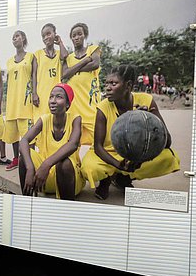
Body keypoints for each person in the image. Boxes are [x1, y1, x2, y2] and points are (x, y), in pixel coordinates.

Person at [80, 65, 180, 200]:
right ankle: (107, 179)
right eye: (106, 83)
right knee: (89, 168)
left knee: (167, 157)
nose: (108, 87)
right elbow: (98, 147)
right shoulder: (103, 107)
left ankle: (122, 177)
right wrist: (118, 165)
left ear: (128, 85)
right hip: (108, 153)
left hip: (134, 154)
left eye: (113, 83)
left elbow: (167, 141)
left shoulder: (146, 101)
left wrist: (150, 120)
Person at [19, 83, 84, 200]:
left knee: (64, 163)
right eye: (51, 96)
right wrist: (30, 167)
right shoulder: (44, 119)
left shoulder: (75, 119)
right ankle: (27, 202)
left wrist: (46, 164)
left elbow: (73, 144)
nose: (53, 101)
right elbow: (24, 140)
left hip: (68, 179)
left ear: (68, 104)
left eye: (59, 97)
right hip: (43, 178)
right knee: (24, 156)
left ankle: (67, 210)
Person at [62, 22, 101, 146]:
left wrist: (72, 70)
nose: (76, 37)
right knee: (74, 142)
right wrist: (84, 61)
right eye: (73, 35)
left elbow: (95, 64)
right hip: (74, 106)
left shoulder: (92, 49)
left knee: (98, 139)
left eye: (79, 34)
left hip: (90, 104)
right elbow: (64, 75)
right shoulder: (68, 57)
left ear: (85, 36)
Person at [3, 30, 34, 171]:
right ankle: (16, 159)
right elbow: (9, 82)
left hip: (25, 102)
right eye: (13, 37)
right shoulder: (9, 61)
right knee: (13, 134)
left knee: (28, 134)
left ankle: (30, 160)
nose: (15, 39)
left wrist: (35, 94)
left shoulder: (31, 57)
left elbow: (34, 77)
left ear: (24, 38)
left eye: (17, 36)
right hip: (12, 102)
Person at [31, 23, 68, 125]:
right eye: (43, 36)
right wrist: (34, 93)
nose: (46, 37)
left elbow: (65, 55)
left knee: (55, 122)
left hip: (55, 95)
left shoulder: (59, 53)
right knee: (41, 123)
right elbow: (33, 75)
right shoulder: (37, 54)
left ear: (54, 34)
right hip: (41, 95)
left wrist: (60, 42)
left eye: (48, 34)